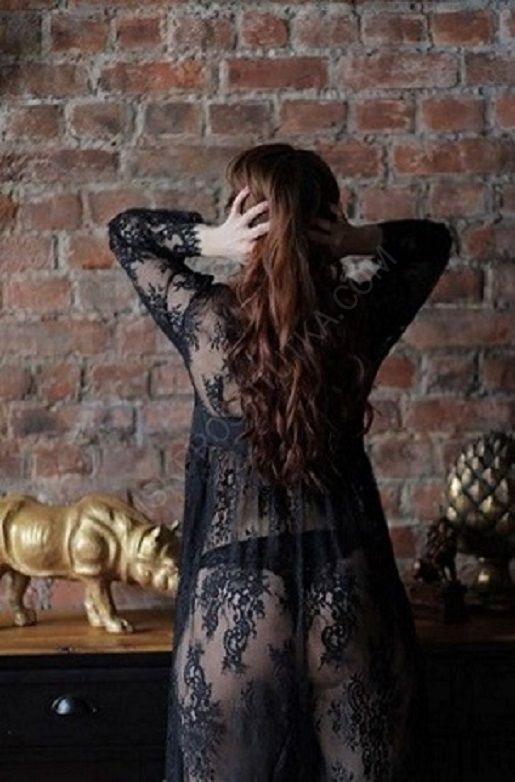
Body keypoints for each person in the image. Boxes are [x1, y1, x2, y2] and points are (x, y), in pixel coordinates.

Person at [107, 142, 454, 782]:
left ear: (245, 217)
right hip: (346, 590)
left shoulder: (207, 322)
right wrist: (356, 239)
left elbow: (127, 233)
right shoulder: (356, 318)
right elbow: (431, 243)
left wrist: (212, 241)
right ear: (327, 219)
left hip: (236, 598)